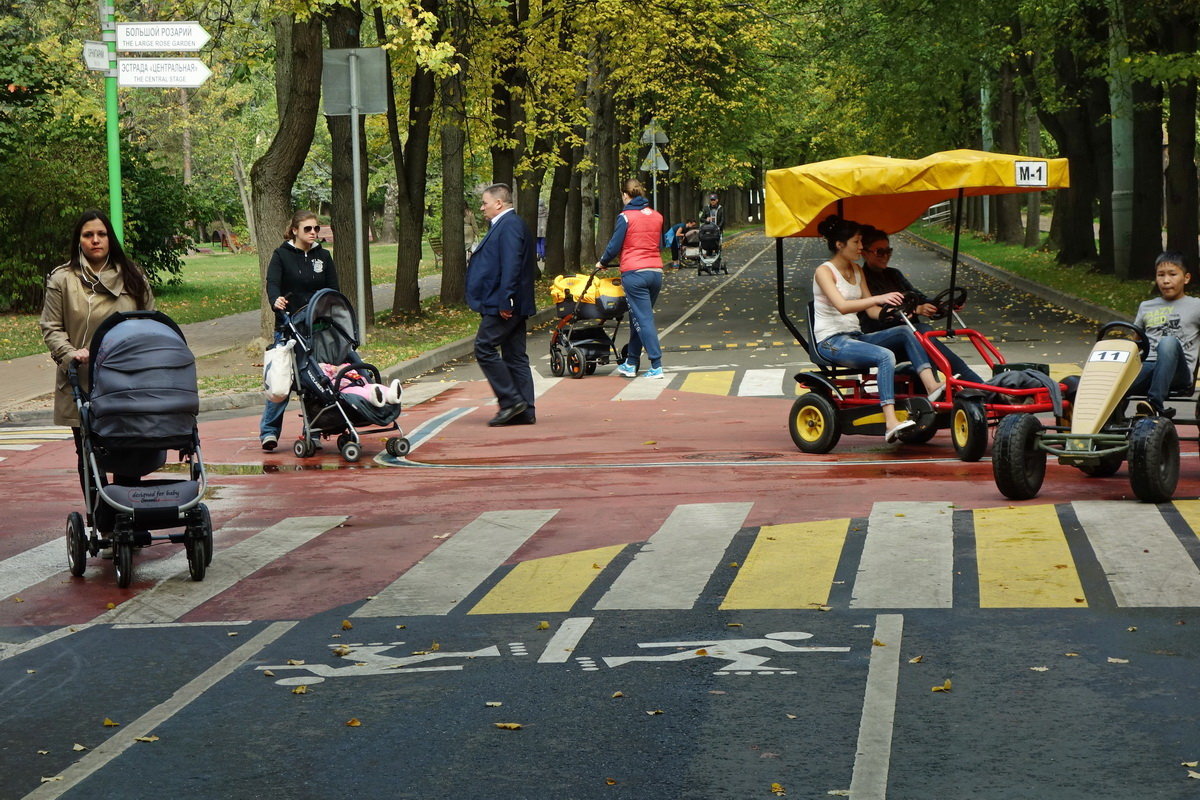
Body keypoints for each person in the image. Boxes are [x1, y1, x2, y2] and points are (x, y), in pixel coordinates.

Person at [40, 209, 155, 498]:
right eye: (88, 235)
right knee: (90, 453)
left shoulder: (132, 274)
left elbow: (150, 319)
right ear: (79, 240)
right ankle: (101, 517)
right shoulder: (62, 279)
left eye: (101, 234)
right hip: (83, 381)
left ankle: (127, 514)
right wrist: (70, 353)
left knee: (129, 449)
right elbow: (51, 327)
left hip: (128, 379)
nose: (95, 240)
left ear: (109, 238)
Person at [811, 214, 945, 442]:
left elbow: (873, 312)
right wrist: (878, 298)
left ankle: (931, 385)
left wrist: (892, 307)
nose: (861, 247)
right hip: (831, 342)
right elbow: (843, 306)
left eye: (861, 242)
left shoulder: (856, 270)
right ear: (839, 244)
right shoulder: (824, 271)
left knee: (905, 331)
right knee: (885, 356)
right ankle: (891, 422)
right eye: (856, 243)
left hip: (855, 337)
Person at [858, 226, 985, 384]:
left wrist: (942, 306)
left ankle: (963, 385)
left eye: (888, 251)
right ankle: (978, 385)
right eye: (879, 252)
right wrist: (916, 310)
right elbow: (881, 314)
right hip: (881, 335)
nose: (885, 256)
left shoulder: (893, 274)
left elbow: (919, 297)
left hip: (912, 334)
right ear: (864, 252)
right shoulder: (863, 280)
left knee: (924, 336)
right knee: (923, 334)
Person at [259, 211, 340, 450]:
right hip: (288, 327)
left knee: (316, 379)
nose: (313, 233)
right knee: (281, 381)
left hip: (317, 329)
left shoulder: (323, 256)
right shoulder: (281, 255)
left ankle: (313, 430)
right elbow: (272, 283)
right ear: (295, 230)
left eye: (316, 228)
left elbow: (332, 289)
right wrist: (276, 300)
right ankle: (269, 432)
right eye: (308, 229)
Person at [466, 183, 537, 426]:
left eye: (485, 203)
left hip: (504, 303)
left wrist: (506, 300)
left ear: (498, 203)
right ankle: (525, 410)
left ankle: (511, 401)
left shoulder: (509, 226)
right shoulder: (507, 225)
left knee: (484, 347)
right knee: (515, 356)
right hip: (508, 300)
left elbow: (511, 264)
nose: (482, 207)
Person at [597, 178, 666, 379]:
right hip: (655, 272)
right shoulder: (656, 216)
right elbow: (660, 245)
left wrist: (602, 262)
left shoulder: (625, 217)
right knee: (638, 317)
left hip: (634, 273)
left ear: (626, 195)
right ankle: (631, 361)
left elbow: (614, 245)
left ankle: (656, 364)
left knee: (643, 318)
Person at [1128, 251, 1200, 417]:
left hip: (1178, 372)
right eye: (1161, 275)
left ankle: (1154, 403)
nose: (1166, 280)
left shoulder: (1196, 306)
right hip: (1147, 367)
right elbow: (1134, 343)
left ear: (1186, 278)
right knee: (1117, 380)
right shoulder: (1146, 306)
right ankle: (1106, 425)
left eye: (1172, 274)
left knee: (1168, 342)